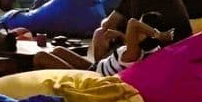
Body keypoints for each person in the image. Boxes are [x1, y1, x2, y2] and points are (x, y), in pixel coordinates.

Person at [34, 12, 175, 76]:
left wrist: (159, 34)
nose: (135, 30)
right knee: (58, 50)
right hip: (95, 68)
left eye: (141, 28)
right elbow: (134, 37)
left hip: (91, 79)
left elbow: (132, 23)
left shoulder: (134, 53)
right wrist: (120, 35)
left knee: (40, 57)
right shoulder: (151, 48)